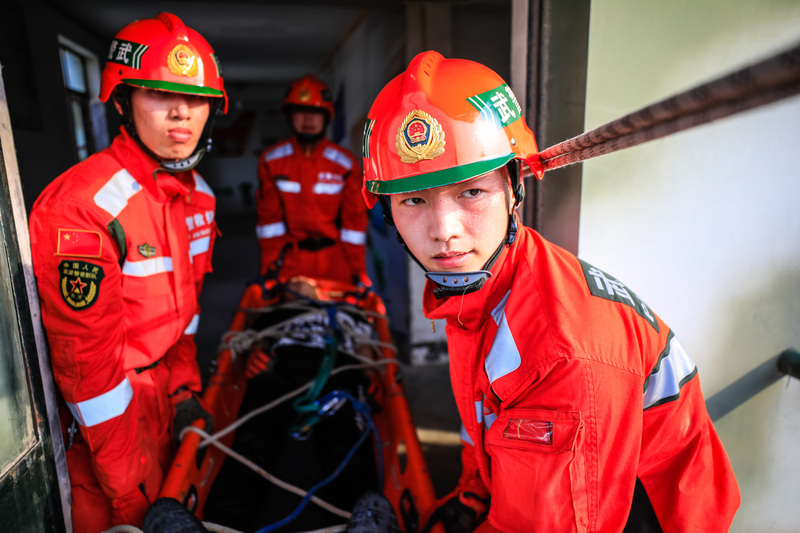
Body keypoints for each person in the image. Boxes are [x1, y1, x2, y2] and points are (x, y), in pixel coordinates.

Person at [360, 50, 741, 532]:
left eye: (471, 192)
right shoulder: (482, 292)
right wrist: (473, 497)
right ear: (387, 212)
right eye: (414, 200)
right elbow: (484, 419)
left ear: (514, 185)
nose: (445, 231)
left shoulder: (560, 353)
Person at [29, 13, 226, 532]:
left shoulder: (199, 195)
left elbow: (185, 314)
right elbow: (88, 375)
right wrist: (130, 489)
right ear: (122, 101)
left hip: (165, 410)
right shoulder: (85, 207)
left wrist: (185, 391)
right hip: (106, 449)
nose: (182, 112)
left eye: (198, 99)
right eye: (159, 95)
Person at [256, 75, 369, 286]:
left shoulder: (344, 164)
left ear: (327, 117)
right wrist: (269, 267)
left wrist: (358, 269)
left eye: (315, 112)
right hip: (290, 261)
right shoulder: (272, 161)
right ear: (289, 116)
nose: (308, 120)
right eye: (300, 111)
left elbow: (354, 224)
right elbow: (268, 222)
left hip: (336, 260)